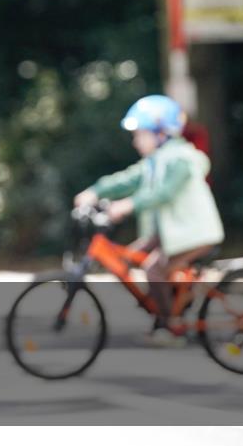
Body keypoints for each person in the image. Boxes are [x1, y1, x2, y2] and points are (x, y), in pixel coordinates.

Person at [75, 94, 225, 345]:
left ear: (162, 133)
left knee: (153, 268)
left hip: (195, 232)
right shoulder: (155, 161)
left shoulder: (181, 159)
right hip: (173, 232)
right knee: (129, 257)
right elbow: (127, 179)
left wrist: (128, 205)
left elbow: (164, 193)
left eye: (140, 135)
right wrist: (95, 191)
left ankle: (171, 326)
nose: (135, 141)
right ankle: (166, 306)